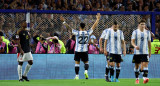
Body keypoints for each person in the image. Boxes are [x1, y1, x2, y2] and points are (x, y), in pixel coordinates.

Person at [60, 13, 101, 80]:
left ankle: (77, 76)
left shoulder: (77, 32)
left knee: (77, 63)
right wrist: (97, 19)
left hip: (77, 50)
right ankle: (86, 71)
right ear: (85, 27)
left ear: (79, 27)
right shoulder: (88, 32)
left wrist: (63, 21)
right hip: (85, 50)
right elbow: (94, 26)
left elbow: (69, 28)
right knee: (86, 62)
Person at [131, 19, 151, 84]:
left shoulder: (148, 33)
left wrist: (150, 52)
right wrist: (135, 46)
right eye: (141, 24)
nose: (143, 25)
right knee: (137, 66)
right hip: (137, 52)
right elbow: (132, 41)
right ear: (139, 25)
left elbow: (149, 43)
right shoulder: (135, 32)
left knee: (145, 64)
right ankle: (137, 79)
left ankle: (145, 78)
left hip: (145, 52)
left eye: (144, 24)